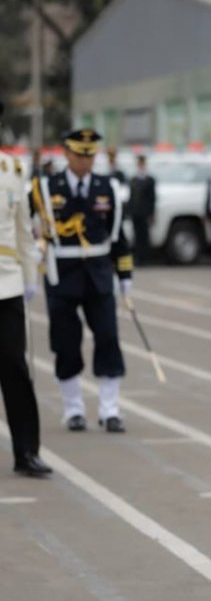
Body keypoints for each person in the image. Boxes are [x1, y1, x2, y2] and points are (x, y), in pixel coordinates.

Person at [32, 129, 133, 432]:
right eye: (79, 155)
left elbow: (118, 236)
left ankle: (110, 409)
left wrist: (125, 276)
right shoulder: (46, 187)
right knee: (65, 344)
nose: (85, 161)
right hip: (62, 275)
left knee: (108, 338)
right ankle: (73, 409)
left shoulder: (107, 187)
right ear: (66, 154)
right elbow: (23, 225)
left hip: (98, 275)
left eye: (90, 155)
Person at [0, 103, 51, 476]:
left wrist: (31, 277)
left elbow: (22, 229)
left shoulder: (12, 171)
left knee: (15, 368)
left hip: (7, 283)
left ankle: (26, 451)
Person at [127, 155, 156, 266]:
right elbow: (131, 197)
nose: (140, 166)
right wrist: (129, 211)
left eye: (142, 164)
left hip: (145, 213)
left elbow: (152, 198)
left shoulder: (150, 180)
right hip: (135, 212)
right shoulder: (133, 179)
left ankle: (145, 258)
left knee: (145, 236)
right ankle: (138, 258)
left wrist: (151, 213)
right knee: (136, 236)